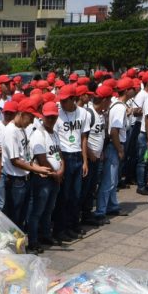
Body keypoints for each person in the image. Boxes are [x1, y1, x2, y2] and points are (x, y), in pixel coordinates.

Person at [1, 99, 48, 228]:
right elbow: (15, 160)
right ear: (22, 114)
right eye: (31, 117)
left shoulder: (21, 128)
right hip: (16, 181)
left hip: (24, 179)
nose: (32, 121)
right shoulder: (11, 131)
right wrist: (37, 170)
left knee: (21, 216)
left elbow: (25, 158)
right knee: (14, 218)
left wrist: (38, 168)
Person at [54, 84, 90, 241]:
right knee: (64, 196)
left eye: (65, 101)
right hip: (64, 156)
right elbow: (55, 140)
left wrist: (85, 161)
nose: (62, 103)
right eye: (61, 100)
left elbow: (83, 137)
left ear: (74, 99)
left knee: (76, 195)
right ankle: (61, 229)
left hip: (77, 156)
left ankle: (73, 225)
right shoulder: (58, 115)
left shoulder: (83, 114)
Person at [27, 101, 64, 253]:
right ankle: (34, 240)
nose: (51, 120)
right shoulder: (38, 134)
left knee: (49, 209)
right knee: (37, 210)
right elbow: (42, 159)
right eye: (48, 117)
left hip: (55, 177)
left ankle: (45, 234)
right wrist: (55, 174)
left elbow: (59, 154)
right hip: (43, 178)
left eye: (54, 117)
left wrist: (61, 169)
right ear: (42, 117)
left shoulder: (54, 133)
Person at [96, 77, 132, 221]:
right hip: (114, 146)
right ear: (128, 91)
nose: (135, 90)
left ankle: (112, 206)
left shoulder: (119, 105)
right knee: (108, 180)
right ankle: (100, 211)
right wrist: (120, 149)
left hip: (115, 145)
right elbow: (114, 131)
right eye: (133, 88)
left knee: (113, 180)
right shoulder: (119, 107)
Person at [82, 85, 110, 226]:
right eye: (109, 100)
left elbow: (100, 134)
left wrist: (101, 152)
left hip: (97, 157)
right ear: (104, 100)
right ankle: (83, 215)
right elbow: (83, 138)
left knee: (92, 188)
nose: (110, 103)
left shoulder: (101, 114)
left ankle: (87, 213)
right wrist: (90, 154)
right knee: (86, 189)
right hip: (89, 159)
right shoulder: (89, 114)